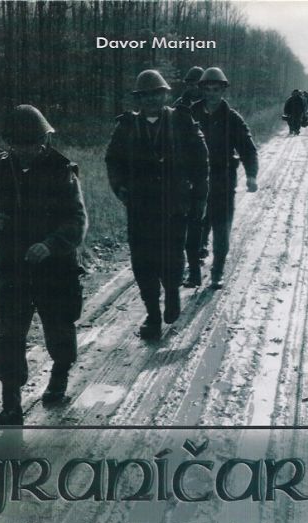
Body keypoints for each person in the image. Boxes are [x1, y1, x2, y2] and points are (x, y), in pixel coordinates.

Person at [0, 104, 88, 425]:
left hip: (55, 268)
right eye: (18, 144)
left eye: (32, 143)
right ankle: (11, 406)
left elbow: (77, 220)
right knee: (9, 335)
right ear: (9, 143)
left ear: (44, 141)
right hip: (14, 266)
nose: (25, 150)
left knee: (59, 326)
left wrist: (50, 245)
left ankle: (59, 373)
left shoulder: (62, 170)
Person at [105, 70, 209, 339]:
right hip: (140, 208)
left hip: (174, 205)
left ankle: (172, 293)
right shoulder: (126, 126)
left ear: (165, 95)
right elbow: (113, 160)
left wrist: (198, 198)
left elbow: (201, 161)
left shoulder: (182, 121)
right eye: (145, 95)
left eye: (156, 94)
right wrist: (120, 188)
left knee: (172, 256)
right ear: (138, 99)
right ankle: (152, 316)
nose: (151, 99)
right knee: (142, 263)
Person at [189, 67, 258, 289]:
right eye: (207, 89)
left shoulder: (232, 118)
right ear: (202, 90)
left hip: (223, 180)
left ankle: (217, 271)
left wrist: (251, 175)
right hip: (195, 181)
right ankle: (194, 267)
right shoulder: (190, 114)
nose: (211, 94)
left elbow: (247, 148)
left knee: (221, 227)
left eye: (216, 89)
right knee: (195, 226)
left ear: (223, 90)